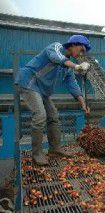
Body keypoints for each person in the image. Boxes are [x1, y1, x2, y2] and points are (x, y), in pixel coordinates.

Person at [15, 35, 92, 165]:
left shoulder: (67, 67)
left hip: (42, 91)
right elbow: (57, 57)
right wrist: (77, 67)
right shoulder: (56, 47)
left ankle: (55, 149)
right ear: (73, 44)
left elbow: (72, 84)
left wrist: (83, 104)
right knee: (40, 115)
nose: (81, 54)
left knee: (54, 116)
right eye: (81, 49)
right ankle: (37, 154)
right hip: (29, 82)